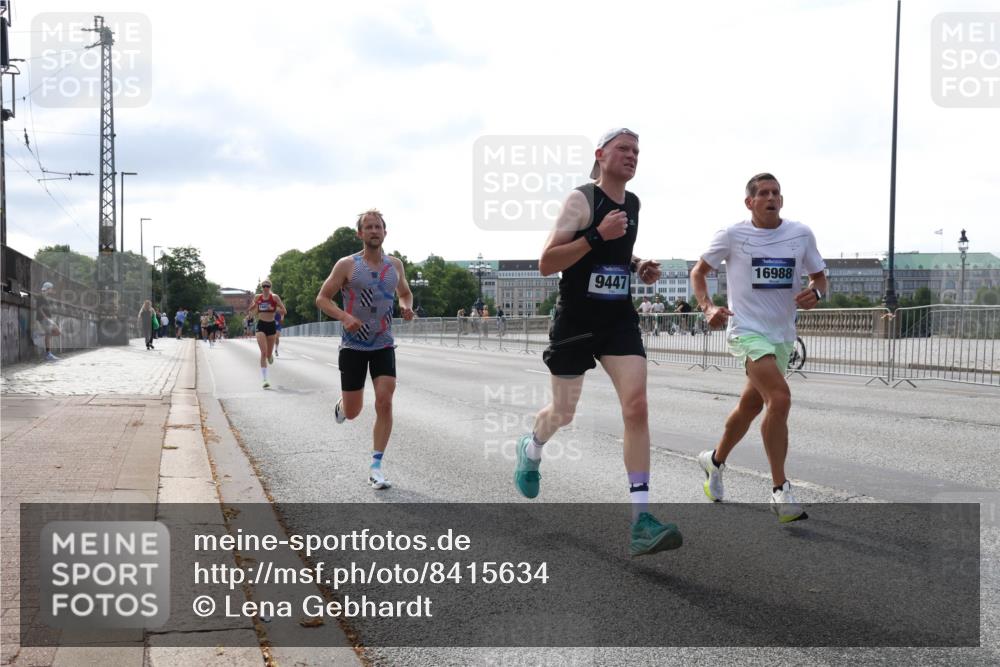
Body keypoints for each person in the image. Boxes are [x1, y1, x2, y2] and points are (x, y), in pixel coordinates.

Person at [514, 127, 681, 558]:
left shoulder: (635, 204)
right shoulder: (581, 200)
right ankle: (531, 447)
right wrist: (595, 236)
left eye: (637, 151)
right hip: (576, 319)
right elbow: (547, 262)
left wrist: (638, 265)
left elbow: (616, 254)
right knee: (563, 413)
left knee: (637, 404)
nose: (632, 156)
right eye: (623, 149)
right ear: (600, 155)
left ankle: (641, 520)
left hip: (618, 320)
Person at [690, 172, 827, 523]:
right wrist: (708, 308)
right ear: (749, 202)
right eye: (763, 193)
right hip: (746, 330)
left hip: (782, 335)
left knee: (751, 407)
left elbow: (820, 276)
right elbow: (698, 272)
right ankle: (781, 491)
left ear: (782, 200)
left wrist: (817, 293)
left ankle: (715, 461)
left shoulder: (800, 234)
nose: (771, 197)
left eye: (776, 192)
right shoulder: (732, 235)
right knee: (779, 398)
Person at [315, 209, 414, 490]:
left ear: (385, 232)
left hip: (383, 342)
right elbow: (322, 299)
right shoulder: (347, 265)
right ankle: (343, 406)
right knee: (354, 410)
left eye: (378, 227)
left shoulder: (395, 266)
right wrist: (345, 317)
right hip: (353, 345)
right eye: (368, 227)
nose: (373, 231)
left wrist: (406, 307)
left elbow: (405, 293)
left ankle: (376, 467)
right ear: (360, 233)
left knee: (384, 400)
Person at [249, 282, 287, 388]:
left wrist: (273, 308)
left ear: (270, 287)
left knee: (269, 354)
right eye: (264, 286)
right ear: (262, 288)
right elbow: (253, 311)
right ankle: (265, 380)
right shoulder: (257, 297)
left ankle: (270, 356)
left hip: (271, 326)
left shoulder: (274, 297)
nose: (266, 288)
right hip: (261, 325)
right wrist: (253, 311)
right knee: (263, 353)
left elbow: (284, 311)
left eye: (268, 286)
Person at [33, 282, 61, 361]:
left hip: (49, 318)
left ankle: (39, 334)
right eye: (51, 289)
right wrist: (46, 319)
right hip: (44, 318)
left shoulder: (45, 297)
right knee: (48, 335)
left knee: (58, 332)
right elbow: (39, 309)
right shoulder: (40, 296)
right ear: (48, 288)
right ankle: (48, 354)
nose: (52, 290)